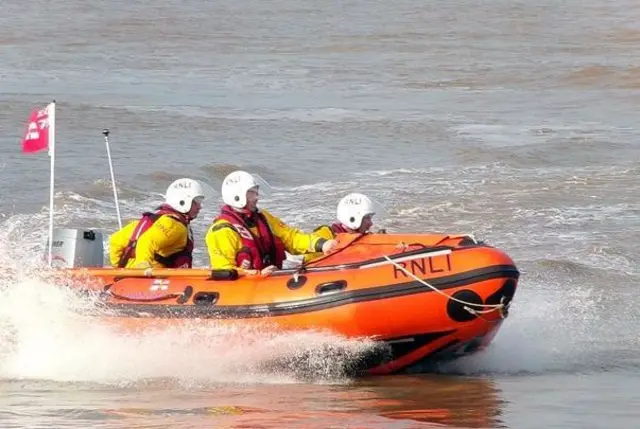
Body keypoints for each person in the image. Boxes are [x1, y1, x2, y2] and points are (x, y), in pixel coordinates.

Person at [205, 170, 338, 276]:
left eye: (255, 192)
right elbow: (223, 271)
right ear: (237, 196)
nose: (256, 197)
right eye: (251, 194)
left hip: (269, 281)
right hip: (247, 289)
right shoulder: (221, 230)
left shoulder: (263, 218)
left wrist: (322, 244)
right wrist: (257, 274)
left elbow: (290, 238)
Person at [109, 178, 206, 269]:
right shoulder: (174, 225)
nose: (199, 206)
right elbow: (146, 241)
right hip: (150, 278)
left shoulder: (152, 220)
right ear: (183, 201)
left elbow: (115, 240)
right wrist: (143, 267)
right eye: (196, 202)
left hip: (128, 274)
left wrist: (118, 267)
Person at [301, 192, 384, 263]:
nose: (371, 223)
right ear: (353, 218)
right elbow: (302, 263)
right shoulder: (324, 236)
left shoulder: (360, 236)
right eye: (367, 218)